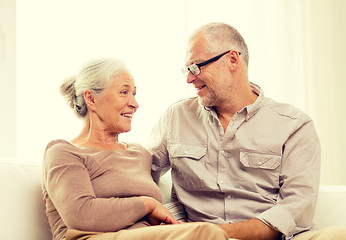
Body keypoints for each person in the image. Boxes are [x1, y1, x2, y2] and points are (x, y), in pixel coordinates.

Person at [148, 22, 346, 240]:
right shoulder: (176, 117)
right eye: (187, 69)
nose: (189, 78)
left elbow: (295, 208)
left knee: (337, 235)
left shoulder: (294, 125)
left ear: (232, 60)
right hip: (198, 238)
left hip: (275, 238)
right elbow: (141, 172)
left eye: (195, 67)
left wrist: (217, 233)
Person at [42, 58, 229, 240]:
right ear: (91, 98)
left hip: (143, 234)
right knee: (207, 234)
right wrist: (147, 204)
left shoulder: (139, 154)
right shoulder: (64, 152)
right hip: (90, 236)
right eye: (124, 92)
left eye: (134, 94)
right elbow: (81, 215)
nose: (135, 104)